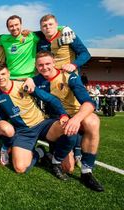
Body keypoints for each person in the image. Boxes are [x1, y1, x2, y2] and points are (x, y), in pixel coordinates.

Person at [33, 51, 104, 191]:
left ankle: (86, 172)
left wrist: (76, 119)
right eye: (40, 65)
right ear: (36, 66)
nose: (44, 67)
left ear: (54, 63)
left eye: (48, 63)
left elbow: (89, 103)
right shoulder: (36, 81)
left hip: (76, 115)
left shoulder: (69, 76)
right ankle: (53, 154)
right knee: (68, 168)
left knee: (93, 121)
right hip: (56, 121)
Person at [0, 61, 75, 179]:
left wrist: (63, 115)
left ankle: (56, 160)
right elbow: (3, 115)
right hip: (24, 132)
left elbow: (51, 99)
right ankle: (40, 152)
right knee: (20, 168)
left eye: (3, 74)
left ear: (8, 73)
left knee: (69, 130)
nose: (0, 78)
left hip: (42, 124)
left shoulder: (23, 85)